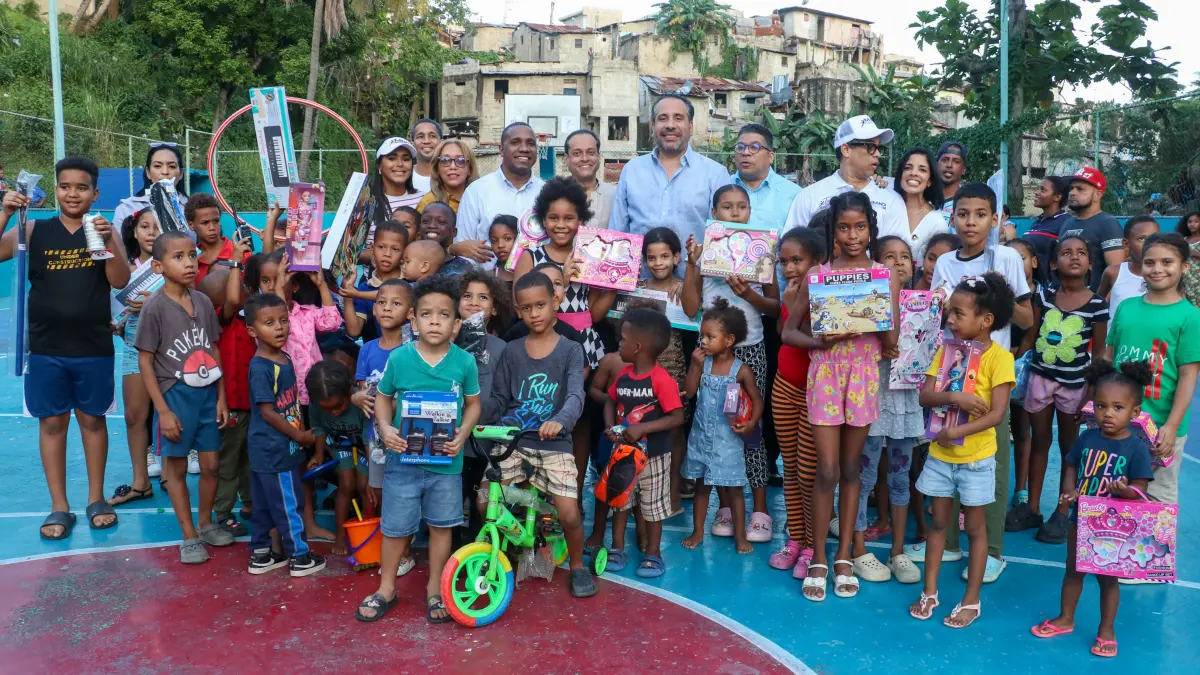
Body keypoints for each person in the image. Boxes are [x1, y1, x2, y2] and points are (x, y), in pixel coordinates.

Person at [0, 156, 131, 539]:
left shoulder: (102, 230)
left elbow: (120, 280)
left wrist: (109, 241)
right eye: (65, 186)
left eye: (82, 187)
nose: (73, 194)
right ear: (55, 189)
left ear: (95, 193)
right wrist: (6, 213)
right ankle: (59, 505)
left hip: (93, 346)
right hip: (45, 348)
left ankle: (95, 499)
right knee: (53, 423)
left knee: (92, 420)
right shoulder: (35, 230)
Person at [780, 191, 901, 601]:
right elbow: (789, 332)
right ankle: (818, 557)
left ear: (871, 228)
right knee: (826, 470)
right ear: (833, 230)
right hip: (827, 376)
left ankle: (844, 556)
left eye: (861, 227)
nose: (853, 236)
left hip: (864, 376)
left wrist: (878, 308)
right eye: (845, 227)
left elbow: (891, 339)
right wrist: (821, 340)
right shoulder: (818, 275)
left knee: (852, 469)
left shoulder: (884, 274)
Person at [915, 182, 1034, 582]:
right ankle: (947, 543)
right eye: (963, 214)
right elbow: (938, 316)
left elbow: (1027, 321)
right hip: (950, 369)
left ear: (995, 219)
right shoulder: (946, 261)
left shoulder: (1008, 258)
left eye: (980, 214)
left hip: (988, 376)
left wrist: (997, 291)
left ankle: (993, 550)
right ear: (953, 217)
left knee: (990, 466)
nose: (971, 222)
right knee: (945, 457)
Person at [357, 276, 481, 622]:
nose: (435, 321)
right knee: (396, 528)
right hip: (403, 462)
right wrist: (385, 426)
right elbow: (382, 398)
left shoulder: (463, 363)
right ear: (413, 319)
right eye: (427, 314)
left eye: (444, 315)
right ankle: (387, 588)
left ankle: (434, 591)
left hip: (446, 463)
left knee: (442, 528)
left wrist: (463, 433)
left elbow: (473, 404)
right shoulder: (399, 359)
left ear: (456, 325)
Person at [910, 272, 1015, 628]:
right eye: (949, 313)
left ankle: (971, 601)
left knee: (975, 530)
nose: (950, 320)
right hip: (942, 457)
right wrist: (954, 397)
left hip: (976, 460)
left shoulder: (1000, 359)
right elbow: (925, 396)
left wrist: (957, 430)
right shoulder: (945, 350)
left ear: (986, 320)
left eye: (958, 314)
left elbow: (997, 414)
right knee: (937, 524)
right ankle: (929, 592)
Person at [1030, 360, 1155, 657]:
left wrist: (1124, 491)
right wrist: (1069, 491)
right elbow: (1072, 463)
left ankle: (1107, 630)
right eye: (1101, 406)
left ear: (1134, 412)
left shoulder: (1136, 448)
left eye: (1117, 408)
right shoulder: (1088, 437)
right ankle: (1065, 618)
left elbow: (1140, 490)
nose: (1107, 413)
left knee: (1107, 579)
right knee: (1073, 570)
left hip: (1115, 527)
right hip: (1081, 519)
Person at [484, 272, 592, 597]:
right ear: (517, 311)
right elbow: (501, 399)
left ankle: (577, 565)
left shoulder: (571, 350)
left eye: (541, 305)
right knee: (483, 501)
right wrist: (474, 414)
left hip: (553, 443)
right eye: (527, 308)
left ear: (555, 303)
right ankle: (519, 539)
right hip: (514, 442)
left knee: (570, 513)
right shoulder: (512, 351)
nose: (535, 313)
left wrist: (560, 420)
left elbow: (576, 395)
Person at [683, 185, 779, 541]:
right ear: (714, 212)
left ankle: (760, 509)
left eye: (742, 206)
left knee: (748, 428)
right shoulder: (707, 252)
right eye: (726, 206)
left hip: (750, 347)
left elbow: (773, 307)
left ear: (750, 212)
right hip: (710, 347)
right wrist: (693, 264)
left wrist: (748, 293)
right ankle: (725, 505)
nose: (735, 212)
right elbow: (692, 308)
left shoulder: (760, 252)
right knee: (715, 425)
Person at [135, 230, 233, 562]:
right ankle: (189, 535)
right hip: (175, 396)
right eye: (178, 257)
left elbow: (214, 348)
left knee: (211, 464)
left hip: (207, 395)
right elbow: (145, 361)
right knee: (174, 469)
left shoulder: (203, 301)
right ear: (158, 266)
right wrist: (162, 410)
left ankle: (205, 523)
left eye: (192, 255)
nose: (188, 263)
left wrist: (221, 396)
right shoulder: (154, 307)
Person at [1008, 234, 1108, 544]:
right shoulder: (1045, 296)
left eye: (1081, 252)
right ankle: (1033, 509)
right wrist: (1010, 358)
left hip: (1074, 387)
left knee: (1069, 448)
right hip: (1039, 379)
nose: (1074, 257)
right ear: (1054, 263)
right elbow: (1031, 337)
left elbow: (1099, 353)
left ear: (1090, 263)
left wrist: (1091, 395)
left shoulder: (1097, 305)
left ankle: (1063, 511)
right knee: (1040, 442)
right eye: (1066, 253)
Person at [1105, 233, 1200, 509]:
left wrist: (1171, 426)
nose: (1157, 269)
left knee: (1156, 498)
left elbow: (1187, 375)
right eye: (1150, 262)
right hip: (1118, 421)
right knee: (1110, 490)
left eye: (1167, 262)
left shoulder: (1190, 317)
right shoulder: (1126, 307)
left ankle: (1149, 554)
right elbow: (1109, 359)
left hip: (1159, 427)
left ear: (1184, 266)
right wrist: (1094, 403)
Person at [853, 235, 924, 585]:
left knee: (900, 475)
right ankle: (857, 548)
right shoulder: (865, 299)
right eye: (889, 257)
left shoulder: (925, 306)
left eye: (905, 257)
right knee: (862, 476)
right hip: (869, 395)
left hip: (904, 399)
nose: (898, 263)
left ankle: (898, 551)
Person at [243, 293, 325, 577]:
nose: (279, 327)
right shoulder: (261, 368)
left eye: (283, 320)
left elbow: (289, 404)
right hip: (273, 448)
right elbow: (268, 412)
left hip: (280, 446)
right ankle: (300, 557)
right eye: (269, 323)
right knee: (290, 504)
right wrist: (300, 436)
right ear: (252, 331)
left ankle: (261, 553)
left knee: (265, 504)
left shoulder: (284, 357)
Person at [603, 308, 685, 577]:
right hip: (623, 454)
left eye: (622, 339)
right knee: (620, 502)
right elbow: (610, 400)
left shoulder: (661, 379)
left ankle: (653, 553)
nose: (619, 343)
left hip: (655, 457)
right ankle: (616, 548)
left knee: (653, 508)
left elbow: (676, 417)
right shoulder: (623, 376)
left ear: (637, 347)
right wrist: (611, 428)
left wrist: (643, 428)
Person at [609, 94, 731, 271]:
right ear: (652, 126)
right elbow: (617, 232)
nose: (670, 125)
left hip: (693, 289)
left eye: (678, 118)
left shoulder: (715, 174)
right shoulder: (632, 170)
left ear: (690, 126)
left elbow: (721, 238)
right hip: (639, 287)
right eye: (662, 118)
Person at [680, 298, 764, 554]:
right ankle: (697, 531)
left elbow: (758, 401)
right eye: (701, 335)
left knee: (735, 490)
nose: (703, 341)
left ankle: (740, 536)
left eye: (709, 336)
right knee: (702, 487)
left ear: (728, 340)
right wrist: (694, 365)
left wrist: (750, 423)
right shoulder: (702, 363)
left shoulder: (741, 370)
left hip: (729, 441)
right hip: (702, 437)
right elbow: (690, 391)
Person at [768, 227, 825, 578]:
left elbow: (820, 337)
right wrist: (787, 308)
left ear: (817, 262)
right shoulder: (790, 292)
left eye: (797, 261)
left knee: (808, 472)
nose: (789, 268)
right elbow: (782, 335)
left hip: (815, 391)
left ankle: (815, 545)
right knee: (790, 466)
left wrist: (794, 308)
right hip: (784, 385)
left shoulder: (824, 292)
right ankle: (795, 538)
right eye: (784, 261)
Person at [513, 177, 611, 370]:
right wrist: (561, 282)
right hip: (545, 340)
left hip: (584, 342)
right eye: (553, 218)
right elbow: (519, 306)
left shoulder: (589, 257)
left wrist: (615, 287)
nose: (561, 225)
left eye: (568, 218)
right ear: (543, 219)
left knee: (580, 395)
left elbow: (595, 314)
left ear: (580, 220)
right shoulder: (530, 257)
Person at [351, 279, 414, 559]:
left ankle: (406, 551)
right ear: (374, 310)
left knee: (406, 494)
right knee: (380, 492)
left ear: (411, 313)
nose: (387, 308)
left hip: (407, 436)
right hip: (376, 438)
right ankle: (386, 549)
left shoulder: (414, 349)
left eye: (396, 303)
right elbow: (360, 390)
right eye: (381, 302)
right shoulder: (367, 349)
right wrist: (356, 397)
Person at [107, 209, 162, 507]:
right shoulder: (126, 269)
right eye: (145, 226)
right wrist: (116, 323)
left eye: (157, 226)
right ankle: (141, 482)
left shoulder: (174, 262)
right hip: (133, 346)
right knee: (134, 416)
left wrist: (153, 300)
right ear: (135, 232)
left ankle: (171, 475)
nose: (151, 232)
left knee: (172, 414)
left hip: (169, 347)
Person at [783, 115, 908, 239]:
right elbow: (793, 245)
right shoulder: (810, 197)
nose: (878, 154)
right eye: (870, 147)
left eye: (879, 148)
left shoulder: (891, 200)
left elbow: (898, 251)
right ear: (846, 149)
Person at [637, 227, 688, 511]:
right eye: (652, 257)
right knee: (640, 428)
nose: (658, 263)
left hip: (673, 368)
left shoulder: (683, 286)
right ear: (645, 259)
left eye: (665, 256)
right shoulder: (637, 287)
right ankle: (641, 492)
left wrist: (688, 283)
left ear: (676, 257)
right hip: (643, 370)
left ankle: (674, 492)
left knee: (674, 431)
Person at [456, 122, 545, 266]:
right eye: (515, 142)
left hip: (539, 284)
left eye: (530, 143)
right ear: (502, 149)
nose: (524, 149)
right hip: (489, 284)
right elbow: (464, 248)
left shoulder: (547, 193)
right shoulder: (477, 191)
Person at [305, 359, 369, 556]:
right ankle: (341, 535)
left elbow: (369, 439)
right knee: (346, 484)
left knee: (365, 487)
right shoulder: (315, 407)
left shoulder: (360, 404)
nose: (334, 412)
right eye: (327, 409)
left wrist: (373, 472)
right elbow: (319, 429)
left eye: (338, 406)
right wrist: (317, 455)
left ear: (349, 391)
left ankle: (368, 532)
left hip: (365, 449)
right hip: (340, 447)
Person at [1005, 237, 1040, 512]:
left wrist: (1020, 351)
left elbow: (1032, 330)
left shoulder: (1038, 294)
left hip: (1024, 365)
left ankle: (1021, 489)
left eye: (1022, 257)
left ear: (1034, 262)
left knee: (1022, 427)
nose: (1016, 263)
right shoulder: (1000, 289)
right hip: (1000, 362)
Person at [1061, 167, 1125, 292]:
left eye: (1080, 189)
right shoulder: (1067, 223)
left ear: (1098, 194)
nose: (1073, 193)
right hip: (1064, 299)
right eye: (1071, 188)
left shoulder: (1107, 223)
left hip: (1093, 303)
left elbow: (1116, 273)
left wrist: (1101, 304)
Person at [342, 220, 408, 341]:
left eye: (395, 249)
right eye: (381, 247)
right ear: (372, 248)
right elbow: (354, 330)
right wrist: (348, 294)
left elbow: (392, 293)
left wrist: (355, 293)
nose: (387, 254)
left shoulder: (410, 282)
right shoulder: (365, 287)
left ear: (404, 253)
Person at [731, 123, 801, 235]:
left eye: (754, 147)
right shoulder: (721, 186)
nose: (745, 153)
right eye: (740, 147)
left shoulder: (794, 195)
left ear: (770, 157)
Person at [112, 143, 189, 238]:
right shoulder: (127, 209)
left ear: (181, 174)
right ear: (148, 172)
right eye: (157, 166)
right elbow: (119, 249)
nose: (165, 172)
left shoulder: (191, 208)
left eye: (172, 166)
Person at [368, 137, 427, 246]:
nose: (400, 164)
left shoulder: (424, 199)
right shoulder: (366, 204)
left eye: (406, 159)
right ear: (379, 166)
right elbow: (350, 253)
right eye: (392, 158)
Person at [893, 148, 949, 264]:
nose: (913, 173)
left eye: (922, 170)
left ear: (929, 181)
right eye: (908, 168)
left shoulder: (937, 222)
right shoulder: (887, 205)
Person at [1098, 215, 1159, 320]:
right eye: (1142, 239)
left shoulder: (1166, 276)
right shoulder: (1114, 273)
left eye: (1155, 238)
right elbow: (1097, 305)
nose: (1150, 244)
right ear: (1126, 244)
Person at [563, 129, 615, 229]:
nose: (585, 158)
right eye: (577, 153)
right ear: (566, 159)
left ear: (598, 156)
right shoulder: (555, 195)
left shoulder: (615, 196)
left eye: (591, 153)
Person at [1021, 176, 1072, 277]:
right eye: (1038, 189)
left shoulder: (1066, 222)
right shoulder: (1036, 223)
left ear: (1057, 197)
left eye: (1043, 190)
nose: (1036, 192)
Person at [416, 138, 479, 215]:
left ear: (469, 168)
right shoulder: (427, 203)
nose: (453, 167)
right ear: (437, 168)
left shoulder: (480, 199)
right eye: (445, 160)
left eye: (460, 160)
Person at [418, 201, 474, 276]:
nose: (432, 225)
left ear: (453, 232)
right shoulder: (409, 263)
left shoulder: (462, 267)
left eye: (441, 222)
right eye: (426, 221)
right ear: (419, 228)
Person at [1174, 210, 1200, 308]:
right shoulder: (1183, 240)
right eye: (1190, 222)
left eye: (1196, 221)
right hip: (1186, 277)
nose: (1192, 224)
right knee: (1188, 302)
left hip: (1198, 277)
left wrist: (1195, 254)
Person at [410, 118, 442, 193]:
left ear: (441, 143)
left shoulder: (451, 176)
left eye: (432, 136)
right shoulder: (403, 177)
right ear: (412, 144)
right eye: (420, 137)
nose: (426, 141)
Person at [936, 141, 968, 214]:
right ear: (936, 164)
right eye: (944, 160)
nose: (949, 165)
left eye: (956, 161)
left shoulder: (968, 203)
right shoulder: (922, 197)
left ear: (963, 170)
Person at [488, 215, 518, 283]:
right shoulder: (488, 278)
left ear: (520, 239)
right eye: (494, 241)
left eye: (507, 238)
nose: (500, 245)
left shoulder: (534, 274)